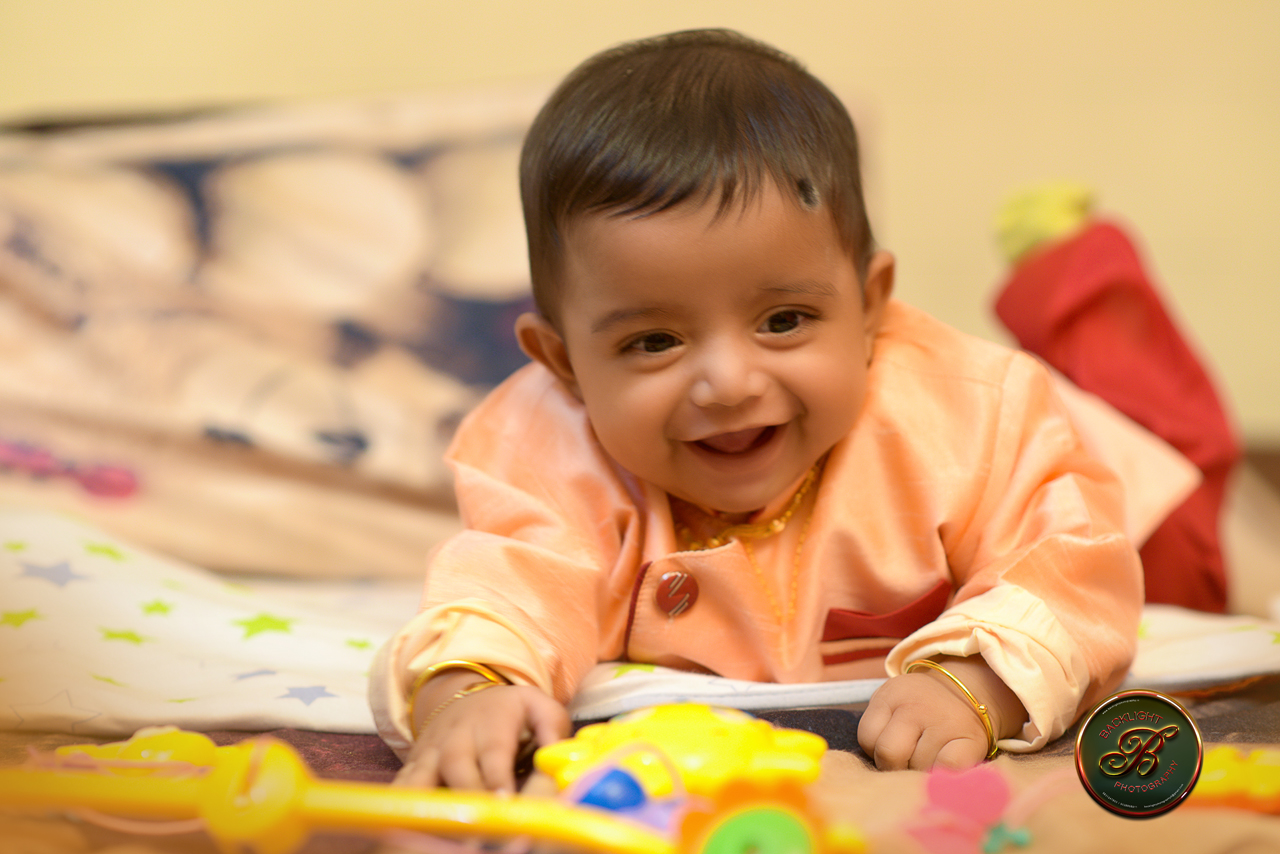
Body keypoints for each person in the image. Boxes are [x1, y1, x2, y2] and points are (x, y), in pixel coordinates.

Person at [369, 28, 1143, 792]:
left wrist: (977, 682)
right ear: (565, 363)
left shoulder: (964, 419)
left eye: (783, 321)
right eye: (654, 341)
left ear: (869, 307)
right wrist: (468, 695)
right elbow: (505, 593)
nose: (729, 384)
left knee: (1173, 507)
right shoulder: (550, 451)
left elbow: (1069, 569)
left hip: (1116, 483)